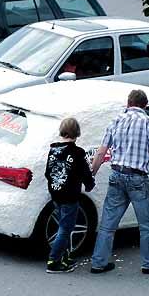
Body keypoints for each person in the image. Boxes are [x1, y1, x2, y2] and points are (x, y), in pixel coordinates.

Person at [90, 89, 149, 274]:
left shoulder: (116, 121)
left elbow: (102, 152)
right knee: (147, 225)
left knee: (108, 224)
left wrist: (92, 174)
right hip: (138, 179)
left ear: (128, 104)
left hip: (116, 176)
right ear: (145, 105)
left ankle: (98, 263)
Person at [45, 117, 95, 273]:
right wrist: (89, 184)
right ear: (77, 132)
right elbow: (85, 173)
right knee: (66, 228)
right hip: (70, 196)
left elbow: (48, 172)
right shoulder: (77, 152)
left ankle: (64, 257)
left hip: (55, 193)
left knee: (62, 226)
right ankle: (53, 261)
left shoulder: (53, 150)